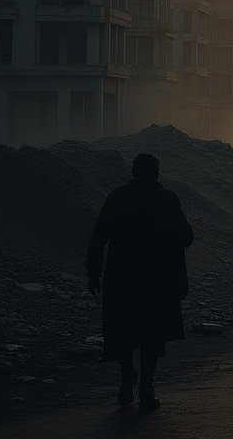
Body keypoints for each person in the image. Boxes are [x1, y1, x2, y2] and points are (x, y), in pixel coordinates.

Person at [86, 152, 194, 413]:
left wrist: (93, 271)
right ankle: (146, 388)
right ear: (156, 173)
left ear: (134, 172)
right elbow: (186, 237)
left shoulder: (117, 196)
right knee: (152, 335)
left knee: (122, 331)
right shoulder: (167, 199)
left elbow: (99, 235)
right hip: (157, 279)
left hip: (121, 277)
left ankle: (126, 377)